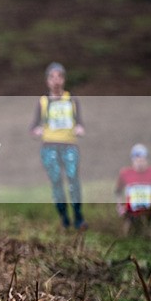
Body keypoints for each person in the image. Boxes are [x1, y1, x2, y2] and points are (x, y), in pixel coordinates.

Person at [29, 62, 87, 230]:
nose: (56, 81)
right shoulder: (43, 102)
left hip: (69, 145)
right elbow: (33, 126)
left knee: (73, 179)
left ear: (64, 79)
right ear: (47, 81)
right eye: (52, 77)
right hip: (49, 147)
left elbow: (80, 122)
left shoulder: (72, 100)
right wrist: (36, 131)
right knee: (56, 182)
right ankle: (63, 218)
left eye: (59, 76)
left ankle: (78, 216)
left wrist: (80, 128)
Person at [115, 144, 151, 232]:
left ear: (147, 160)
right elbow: (118, 191)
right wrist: (119, 206)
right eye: (137, 160)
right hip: (132, 216)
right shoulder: (125, 173)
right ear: (132, 160)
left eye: (142, 160)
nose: (139, 163)